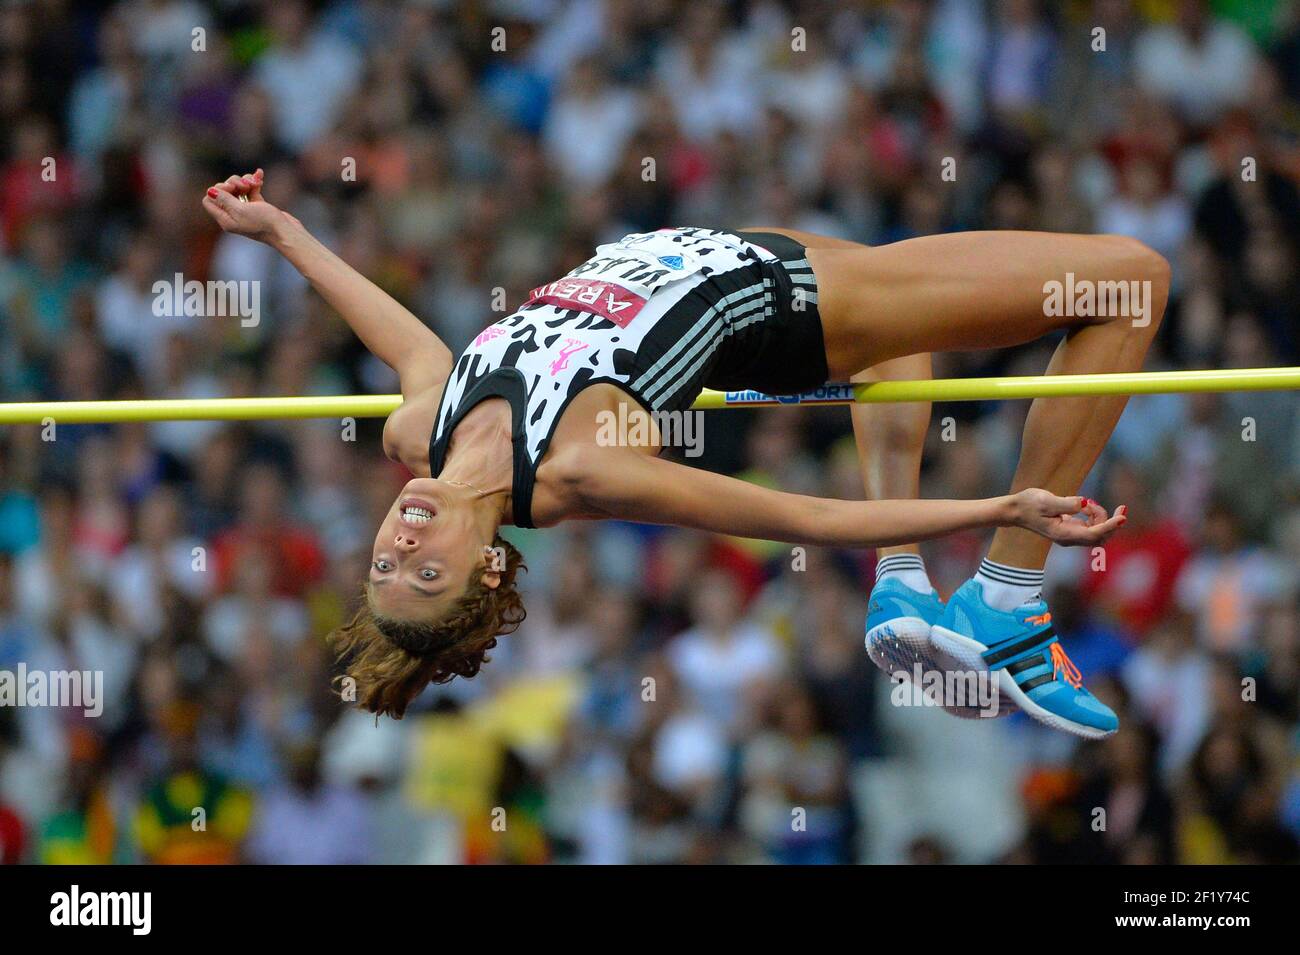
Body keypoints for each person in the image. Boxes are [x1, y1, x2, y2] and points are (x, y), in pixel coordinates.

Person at [201, 168, 1169, 735]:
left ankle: (907, 587)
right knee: (1130, 281)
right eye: (424, 572)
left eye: (383, 564)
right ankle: (1007, 598)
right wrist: (997, 511)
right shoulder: (579, 469)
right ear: (482, 565)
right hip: (794, 308)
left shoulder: (420, 430)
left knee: (900, 353)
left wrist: (284, 232)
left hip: (731, 249)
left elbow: (408, 343)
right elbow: (803, 518)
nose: (402, 542)